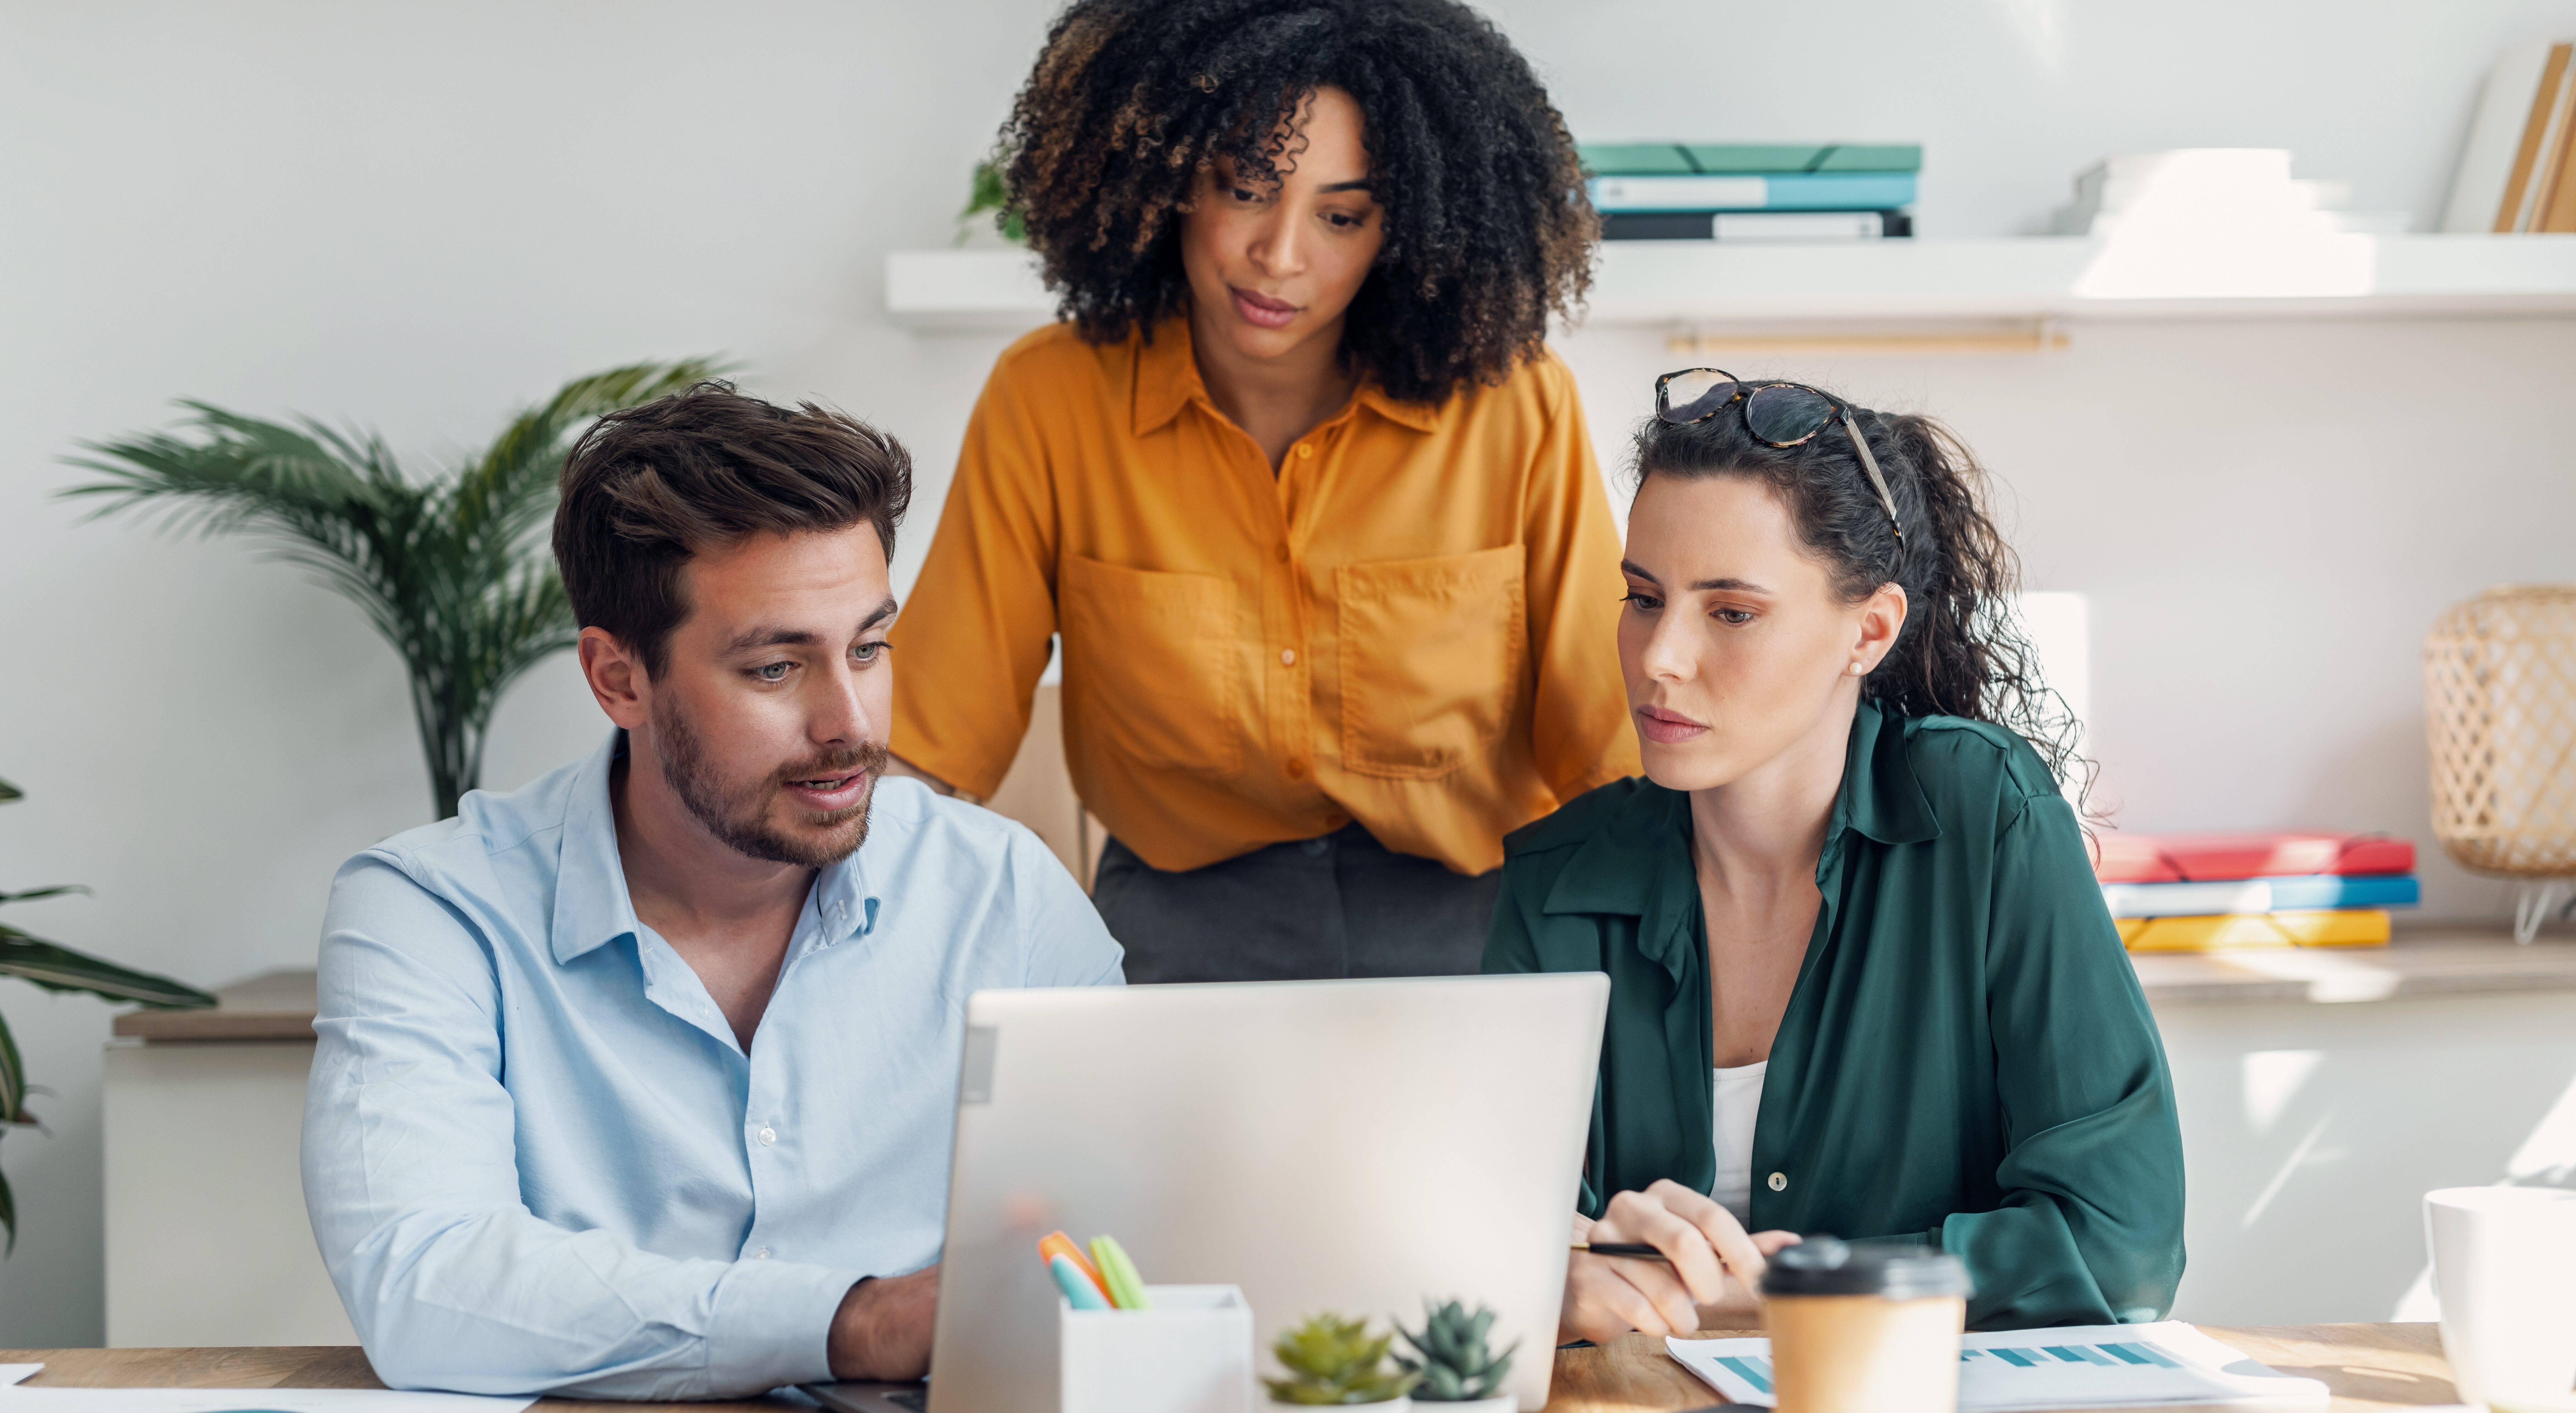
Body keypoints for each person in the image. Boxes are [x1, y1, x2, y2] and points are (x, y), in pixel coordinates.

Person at [300, 386, 1123, 1399]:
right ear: (618, 678)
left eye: (869, 648)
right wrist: (854, 1321)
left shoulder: (1004, 894)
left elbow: (1136, 1243)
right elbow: (426, 1284)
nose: (850, 721)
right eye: (777, 667)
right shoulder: (434, 912)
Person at [886, 0, 1638, 983]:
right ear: (1167, 180)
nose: (1279, 257)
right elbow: (936, 741)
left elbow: (1606, 749)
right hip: (1176, 924)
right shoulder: (1052, 399)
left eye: (1340, 216)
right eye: (1245, 190)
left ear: (1403, 229)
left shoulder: (1515, 407)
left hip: (1473, 921)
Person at [1485, 371, 2184, 1342]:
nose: (1658, 657)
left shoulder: (1986, 815)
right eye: (1643, 598)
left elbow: (2124, 1240)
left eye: (1730, 612)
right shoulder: (1553, 884)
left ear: (1870, 629)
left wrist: (1804, 1289)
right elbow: (1480, 1242)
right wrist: (1543, 1283)